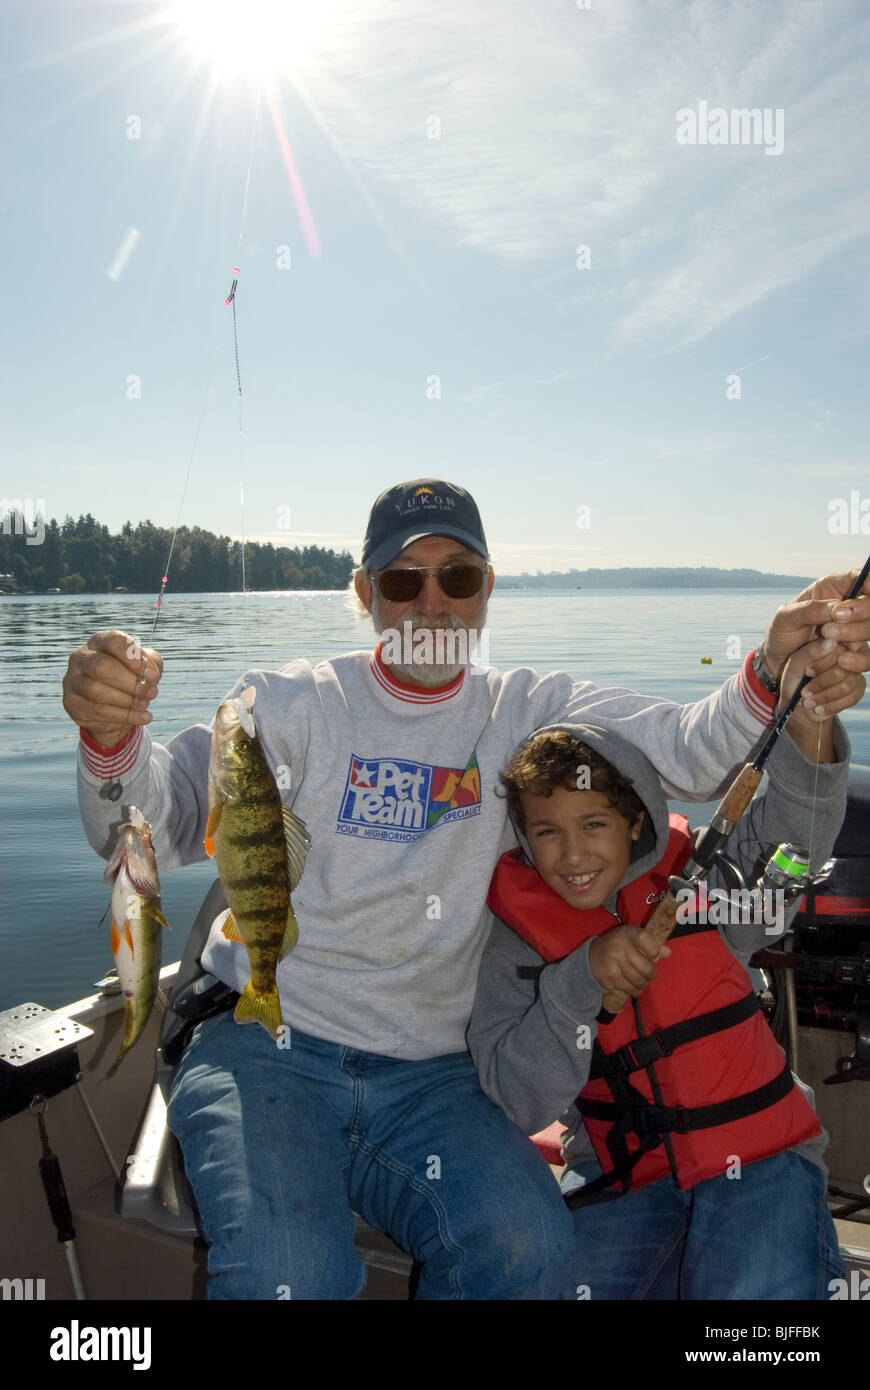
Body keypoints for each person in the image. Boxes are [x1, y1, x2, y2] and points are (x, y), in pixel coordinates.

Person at [61, 478, 869, 1299]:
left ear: (488, 588)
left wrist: (776, 669)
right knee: (288, 1276)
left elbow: (691, 751)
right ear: (364, 593)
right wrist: (110, 738)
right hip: (266, 1042)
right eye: (405, 580)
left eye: (460, 577)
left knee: (529, 1248)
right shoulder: (287, 703)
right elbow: (152, 826)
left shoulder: (527, 712)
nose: (433, 604)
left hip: (435, 1075)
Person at [467, 677, 855, 1299]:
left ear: (636, 820)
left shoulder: (700, 887)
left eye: (594, 823)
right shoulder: (512, 940)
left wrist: (810, 726)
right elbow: (518, 1103)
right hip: (621, 1174)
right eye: (546, 832)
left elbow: (793, 843)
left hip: (761, 1159)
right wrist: (577, 983)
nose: (572, 855)